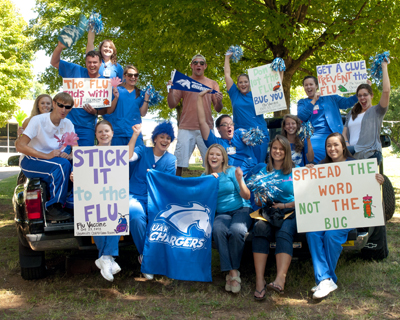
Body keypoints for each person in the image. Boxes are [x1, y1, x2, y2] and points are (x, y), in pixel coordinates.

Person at [306, 132, 385, 299]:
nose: (332, 148)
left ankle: (324, 280)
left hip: (347, 215)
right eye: (329, 145)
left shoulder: (355, 165)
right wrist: (309, 174)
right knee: (312, 233)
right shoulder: (321, 166)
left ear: (343, 146)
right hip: (325, 214)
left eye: (336, 144)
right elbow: (312, 191)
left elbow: (366, 193)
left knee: (331, 235)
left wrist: (375, 180)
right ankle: (326, 280)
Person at [70, 120, 122, 282]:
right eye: (100, 131)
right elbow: (79, 175)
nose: (104, 134)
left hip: (112, 195)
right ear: (96, 135)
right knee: (96, 213)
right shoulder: (87, 153)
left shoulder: (118, 155)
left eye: (107, 131)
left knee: (117, 211)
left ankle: (105, 257)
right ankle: (108, 258)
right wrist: (74, 176)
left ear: (112, 133)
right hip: (92, 196)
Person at [15, 92, 75, 220]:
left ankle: (72, 202)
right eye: (60, 105)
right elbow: (20, 146)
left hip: (53, 159)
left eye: (68, 107)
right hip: (30, 159)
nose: (63, 110)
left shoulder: (68, 123)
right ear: (54, 104)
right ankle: (53, 208)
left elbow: (75, 147)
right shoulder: (38, 120)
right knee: (61, 165)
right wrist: (46, 156)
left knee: (74, 164)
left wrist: (70, 155)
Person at [128, 122, 176, 279]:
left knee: (162, 221)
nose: (165, 140)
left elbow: (168, 184)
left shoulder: (171, 159)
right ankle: (146, 257)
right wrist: (135, 135)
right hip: (134, 195)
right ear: (155, 138)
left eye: (168, 138)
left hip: (156, 199)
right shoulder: (142, 150)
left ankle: (163, 258)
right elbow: (128, 157)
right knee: (136, 217)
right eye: (162, 137)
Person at [252, 135, 297, 300]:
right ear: (270, 151)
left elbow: (304, 197)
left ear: (286, 152)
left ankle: (280, 279)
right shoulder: (263, 171)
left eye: (281, 149)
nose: (277, 151)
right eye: (274, 148)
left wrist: (284, 206)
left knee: (284, 231)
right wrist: (259, 195)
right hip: (268, 211)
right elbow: (257, 202)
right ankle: (259, 280)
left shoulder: (296, 170)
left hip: (289, 210)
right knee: (259, 229)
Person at [203, 144, 252, 293]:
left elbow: (247, 196)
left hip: (241, 208)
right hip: (221, 214)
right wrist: (209, 183)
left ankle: (233, 270)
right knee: (218, 230)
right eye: (211, 154)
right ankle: (232, 273)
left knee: (237, 230)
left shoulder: (231, 171)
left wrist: (240, 179)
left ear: (223, 158)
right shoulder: (204, 177)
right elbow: (200, 198)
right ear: (207, 157)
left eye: (218, 154)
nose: (214, 157)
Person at [167, 54, 223, 176]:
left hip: (206, 129)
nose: (198, 65)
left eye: (201, 63)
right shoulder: (183, 82)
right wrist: (170, 90)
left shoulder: (213, 83)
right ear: (192, 65)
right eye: (196, 62)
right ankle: (174, 189)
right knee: (179, 163)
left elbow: (218, 109)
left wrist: (219, 101)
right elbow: (172, 104)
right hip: (186, 127)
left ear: (205, 66)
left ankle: (214, 190)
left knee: (213, 163)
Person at [51, 41, 108, 147]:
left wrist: (96, 111)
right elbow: (54, 62)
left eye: (95, 62)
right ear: (86, 63)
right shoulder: (75, 70)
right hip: (67, 124)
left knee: (84, 159)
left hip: (87, 128)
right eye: (89, 62)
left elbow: (107, 109)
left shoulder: (104, 83)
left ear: (100, 63)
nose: (92, 65)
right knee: (64, 156)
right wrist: (59, 47)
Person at [297, 75, 359, 163]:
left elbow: (347, 103)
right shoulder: (302, 102)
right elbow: (302, 116)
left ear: (316, 86)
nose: (308, 87)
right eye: (306, 85)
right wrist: (314, 100)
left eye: (311, 84)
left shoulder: (331, 97)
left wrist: (359, 93)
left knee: (340, 157)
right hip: (313, 137)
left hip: (335, 134)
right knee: (315, 157)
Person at [197, 89, 257, 175]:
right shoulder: (215, 142)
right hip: (232, 177)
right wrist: (199, 97)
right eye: (225, 124)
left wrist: (251, 137)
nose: (229, 126)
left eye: (231, 124)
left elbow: (248, 139)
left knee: (262, 166)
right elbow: (202, 122)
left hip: (251, 173)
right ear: (218, 128)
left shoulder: (239, 132)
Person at [224, 52, 270, 163]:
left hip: (259, 134)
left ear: (250, 83)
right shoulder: (234, 94)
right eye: (240, 82)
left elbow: (275, 87)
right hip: (241, 136)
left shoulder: (258, 93)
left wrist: (279, 71)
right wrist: (227, 58)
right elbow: (227, 75)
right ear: (237, 84)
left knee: (258, 164)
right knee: (243, 163)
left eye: (245, 82)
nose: (243, 84)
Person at [343, 60, 390, 165]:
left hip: (370, 154)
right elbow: (344, 133)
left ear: (371, 95)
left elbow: (386, 91)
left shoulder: (377, 111)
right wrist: (346, 143)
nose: (362, 97)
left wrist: (384, 67)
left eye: (365, 95)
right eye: (359, 95)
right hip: (352, 155)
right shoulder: (351, 112)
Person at [104, 65, 150, 146]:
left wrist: (146, 98)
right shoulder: (116, 90)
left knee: (136, 158)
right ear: (124, 76)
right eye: (130, 75)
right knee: (117, 158)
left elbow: (143, 113)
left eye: (135, 75)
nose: (133, 77)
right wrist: (116, 98)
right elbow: (109, 111)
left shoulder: (141, 94)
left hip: (134, 134)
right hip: (117, 133)